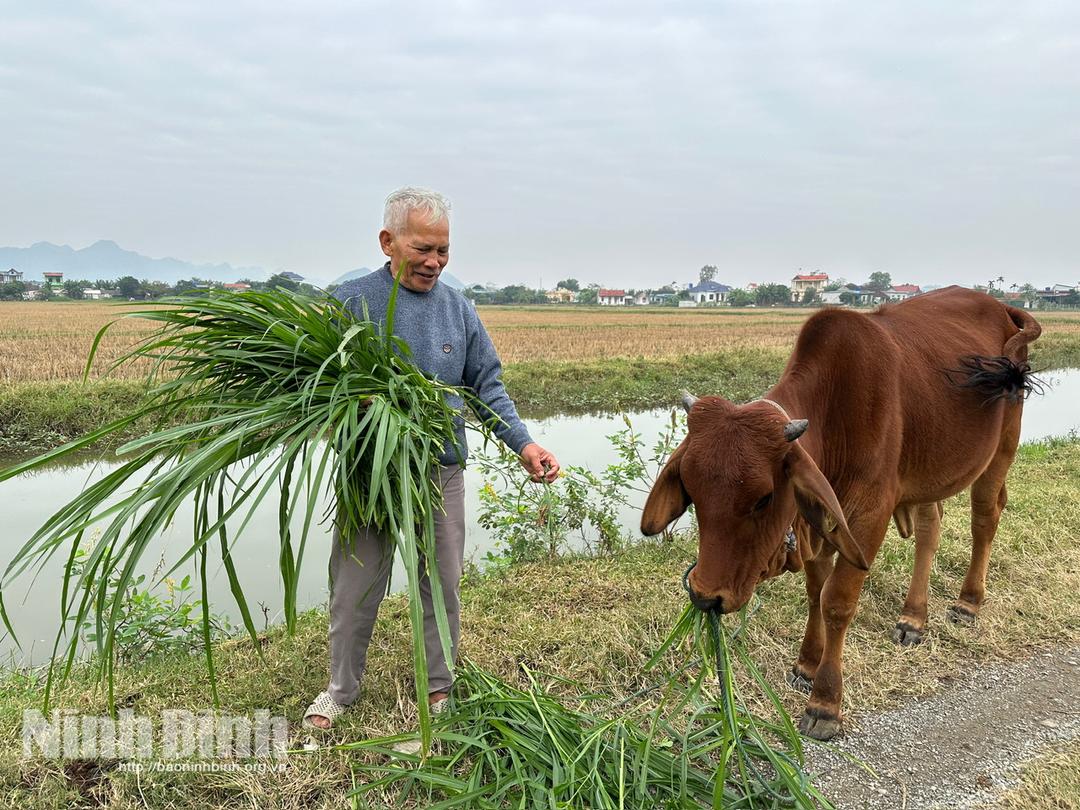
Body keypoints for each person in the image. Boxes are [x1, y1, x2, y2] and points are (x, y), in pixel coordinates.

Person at [304, 187, 560, 732]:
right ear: (387, 242)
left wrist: (524, 443)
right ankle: (339, 690)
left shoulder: (457, 309)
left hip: (440, 470)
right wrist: (354, 405)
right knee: (354, 588)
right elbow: (314, 384)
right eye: (423, 248)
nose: (434, 262)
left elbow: (485, 386)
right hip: (368, 472)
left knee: (440, 582)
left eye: (444, 250)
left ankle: (439, 688)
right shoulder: (349, 303)